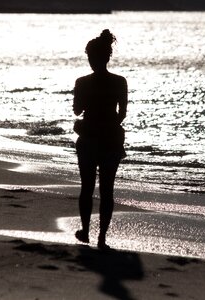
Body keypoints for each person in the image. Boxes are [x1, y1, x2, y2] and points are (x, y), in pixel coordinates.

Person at [73, 29, 127, 249]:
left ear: (92, 58)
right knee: (107, 190)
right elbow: (122, 113)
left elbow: (77, 111)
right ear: (107, 57)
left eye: (90, 57)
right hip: (111, 139)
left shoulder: (82, 82)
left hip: (88, 138)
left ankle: (85, 231)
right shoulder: (119, 81)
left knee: (87, 187)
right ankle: (102, 238)